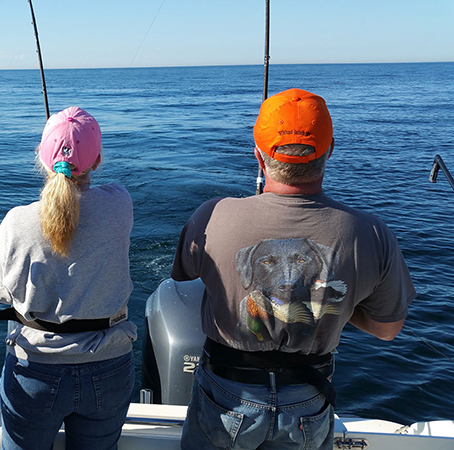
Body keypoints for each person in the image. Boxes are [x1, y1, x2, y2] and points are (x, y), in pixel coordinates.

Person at [171, 89, 415, 449]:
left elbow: (183, 274)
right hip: (308, 400)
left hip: (225, 394)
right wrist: (329, 305)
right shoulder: (372, 232)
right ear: (330, 150)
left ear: (258, 156)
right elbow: (387, 329)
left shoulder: (212, 214)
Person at [0, 107, 137, 450]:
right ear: (97, 160)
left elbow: (0, 292)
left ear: (42, 159)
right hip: (109, 366)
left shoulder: (17, 222)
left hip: (35, 372)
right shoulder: (120, 204)